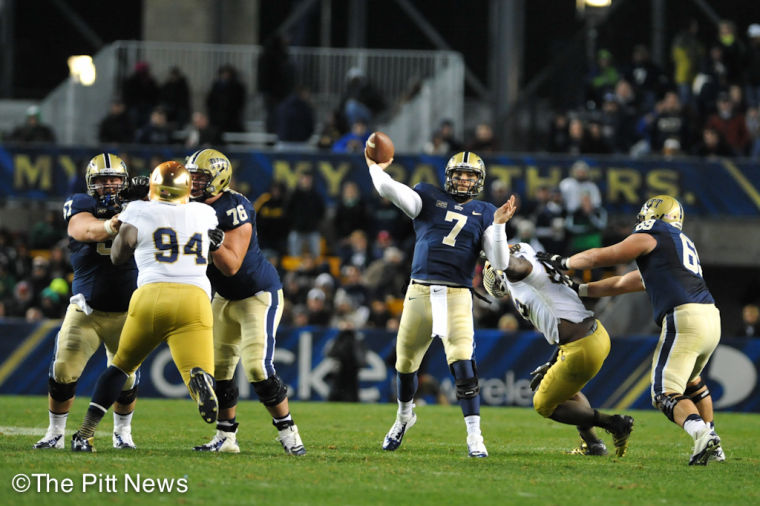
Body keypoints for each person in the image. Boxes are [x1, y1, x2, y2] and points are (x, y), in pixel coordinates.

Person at [537, 195, 724, 465]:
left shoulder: (655, 232)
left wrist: (563, 262)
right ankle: (715, 444)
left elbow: (607, 255)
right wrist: (579, 289)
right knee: (693, 383)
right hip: (710, 318)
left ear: (655, 215)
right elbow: (622, 283)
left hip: (684, 318)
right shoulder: (678, 247)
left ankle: (702, 434)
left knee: (664, 392)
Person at [367, 149, 512, 457]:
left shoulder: (487, 212)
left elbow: (499, 261)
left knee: (462, 363)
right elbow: (389, 189)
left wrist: (498, 226)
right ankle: (404, 417)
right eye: (459, 174)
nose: (463, 180)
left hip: (457, 296)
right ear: (448, 176)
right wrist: (375, 168)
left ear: (479, 180)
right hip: (419, 292)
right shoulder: (428, 197)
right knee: (405, 365)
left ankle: (475, 435)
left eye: (469, 175)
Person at [71, 161, 221, 452]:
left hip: (152, 294)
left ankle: (85, 433)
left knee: (120, 367)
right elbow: (209, 254)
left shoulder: (139, 210)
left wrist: (131, 218)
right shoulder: (205, 213)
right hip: (196, 298)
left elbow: (117, 257)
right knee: (196, 368)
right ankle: (200, 380)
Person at [186, 149, 306, 455]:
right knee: (220, 369)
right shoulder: (187, 205)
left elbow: (231, 265)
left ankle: (289, 433)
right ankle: (226, 437)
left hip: (257, 294)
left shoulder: (235, 206)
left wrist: (211, 239)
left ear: (219, 178)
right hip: (223, 296)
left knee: (257, 368)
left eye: (201, 177)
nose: (194, 183)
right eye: (192, 176)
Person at [481, 244, 634, 457]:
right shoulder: (535, 261)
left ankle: (612, 423)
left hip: (581, 346)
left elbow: (515, 266)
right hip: (594, 335)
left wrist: (495, 249)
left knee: (543, 404)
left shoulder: (519, 269)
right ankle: (593, 444)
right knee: (565, 392)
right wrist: (552, 363)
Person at [33, 154, 139, 450]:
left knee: (127, 379)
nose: (108, 185)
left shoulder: (141, 206)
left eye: (114, 179)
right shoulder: (80, 203)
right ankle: (55, 433)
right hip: (87, 306)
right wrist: (121, 219)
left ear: (125, 181)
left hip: (129, 309)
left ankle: (122, 432)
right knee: (63, 369)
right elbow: (85, 230)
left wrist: (154, 200)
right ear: (90, 183)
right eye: (102, 179)